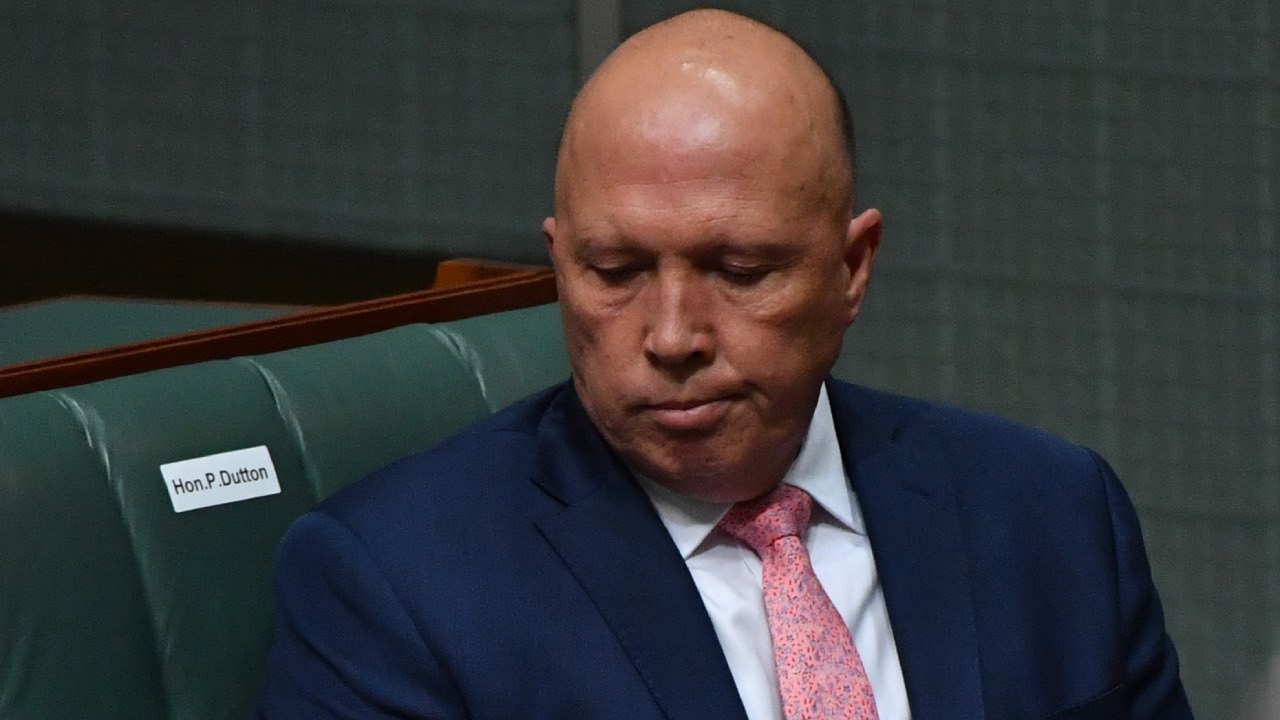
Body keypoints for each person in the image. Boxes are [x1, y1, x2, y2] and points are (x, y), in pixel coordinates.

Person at [255, 8, 1194, 719]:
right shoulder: (393, 585)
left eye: (739, 272)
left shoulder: (1052, 514)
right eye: (614, 272)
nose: (671, 337)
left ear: (852, 269)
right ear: (559, 261)